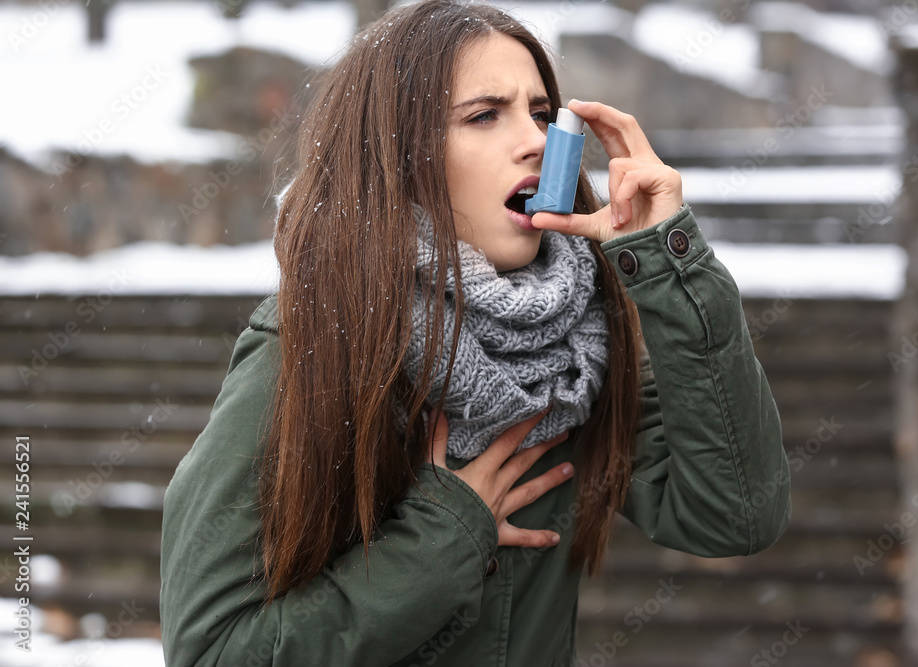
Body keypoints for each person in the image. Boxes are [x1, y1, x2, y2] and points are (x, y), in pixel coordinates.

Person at [159, 0, 791, 665]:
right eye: (485, 115)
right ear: (396, 155)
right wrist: (442, 537)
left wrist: (667, 261)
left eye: (542, 114)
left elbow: (735, 514)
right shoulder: (310, 345)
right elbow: (211, 652)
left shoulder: (578, 345)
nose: (536, 140)